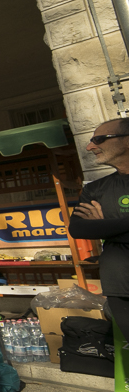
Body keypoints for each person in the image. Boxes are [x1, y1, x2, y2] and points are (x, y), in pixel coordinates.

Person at [67, 118, 129, 363]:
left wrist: (105, 225)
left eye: (99, 139)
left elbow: (94, 228)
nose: (90, 147)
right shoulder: (96, 189)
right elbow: (78, 228)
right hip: (119, 285)